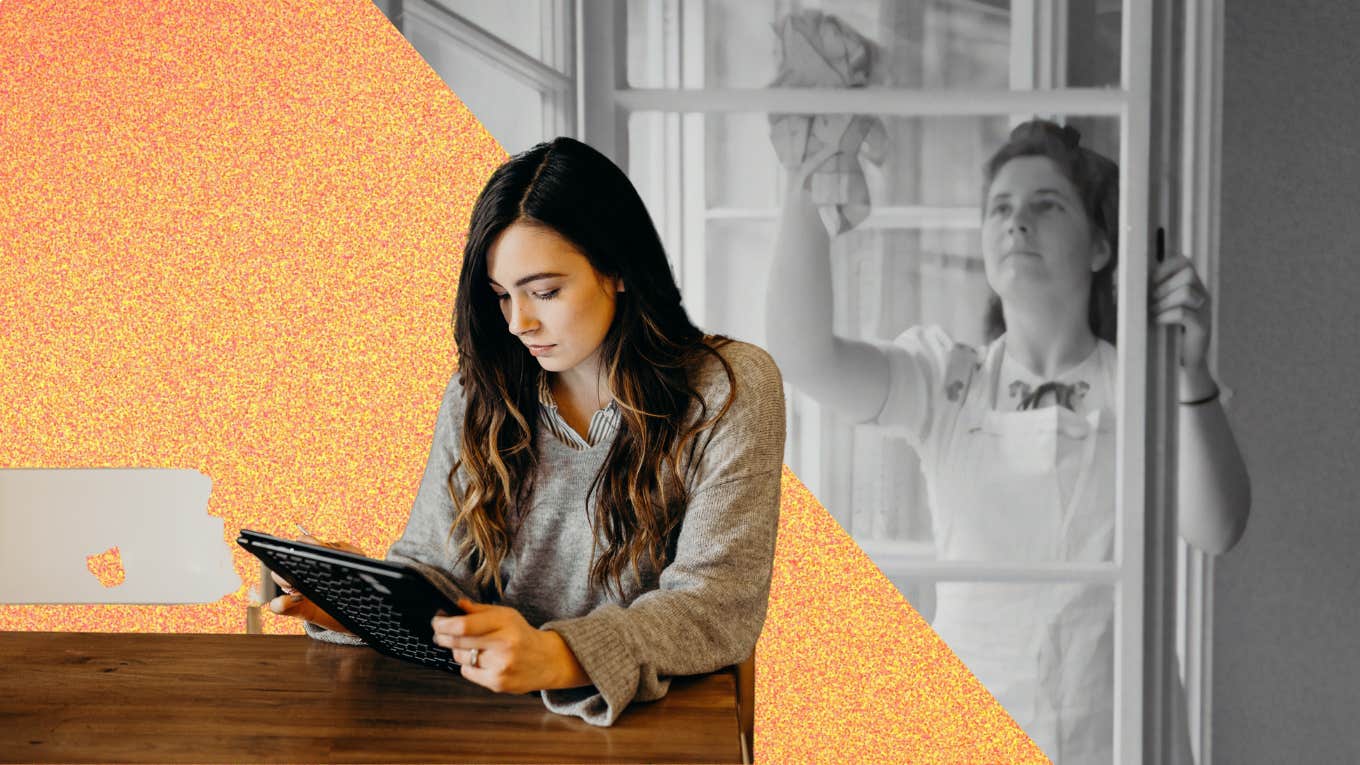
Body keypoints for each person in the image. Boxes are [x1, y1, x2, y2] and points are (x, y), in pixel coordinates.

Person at [765, 119, 1250, 762]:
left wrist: (1189, 371)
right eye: (1000, 208)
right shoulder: (947, 380)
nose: (1017, 222)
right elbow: (802, 357)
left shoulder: (1145, 385)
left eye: (1046, 206)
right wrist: (807, 183)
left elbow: (1217, 529)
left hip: (1119, 739)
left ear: (1100, 246)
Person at [269, 137, 786, 727]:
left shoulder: (729, 388)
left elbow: (717, 605)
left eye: (544, 292)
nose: (519, 323)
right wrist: (361, 603)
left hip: (657, 730)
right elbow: (442, 575)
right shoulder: (478, 391)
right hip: (488, 724)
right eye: (502, 297)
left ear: (617, 269)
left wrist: (558, 655)